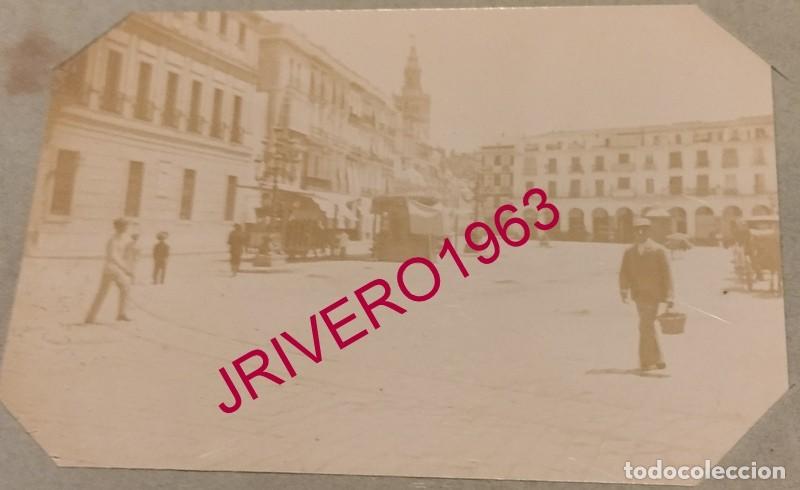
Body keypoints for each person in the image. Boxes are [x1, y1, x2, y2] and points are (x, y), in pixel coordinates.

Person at [619, 217, 674, 371]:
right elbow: (624, 272)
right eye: (637, 230)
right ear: (634, 232)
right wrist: (623, 290)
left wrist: (670, 296)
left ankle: (649, 360)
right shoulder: (629, 252)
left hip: (654, 295)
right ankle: (653, 359)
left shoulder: (658, 250)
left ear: (649, 231)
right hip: (638, 295)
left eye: (644, 230)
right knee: (646, 326)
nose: (640, 233)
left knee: (645, 325)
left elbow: (667, 274)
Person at [85, 218, 134, 324]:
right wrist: (125, 269)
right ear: (117, 227)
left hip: (115, 269)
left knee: (122, 288)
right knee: (119, 288)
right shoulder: (112, 240)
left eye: (126, 226)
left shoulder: (124, 238)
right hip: (111, 269)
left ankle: (92, 317)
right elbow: (112, 256)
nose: (126, 228)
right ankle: (119, 314)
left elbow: (128, 250)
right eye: (124, 226)